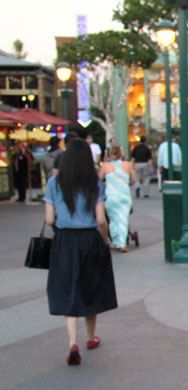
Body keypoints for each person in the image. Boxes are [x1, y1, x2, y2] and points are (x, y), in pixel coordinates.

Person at [44, 138, 117, 366]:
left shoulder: (54, 183)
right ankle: (90, 337)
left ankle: (72, 342)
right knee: (90, 286)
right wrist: (105, 241)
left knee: (68, 287)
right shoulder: (95, 184)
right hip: (89, 240)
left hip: (64, 241)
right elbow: (101, 220)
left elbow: (48, 219)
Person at [98, 145, 137, 252]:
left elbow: (99, 179)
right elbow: (134, 179)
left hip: (111, 196)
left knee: (113, 220)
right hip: (124, 195)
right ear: (120, 153)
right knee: (123, 219)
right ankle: (122, 243)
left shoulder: (106, 166)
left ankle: (115, 242)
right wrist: (126, 183)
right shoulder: (126, 165)